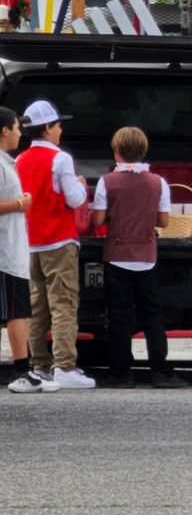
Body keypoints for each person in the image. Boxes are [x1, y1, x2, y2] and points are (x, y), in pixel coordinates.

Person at [16, 99, 95, 391]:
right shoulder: (61, 159)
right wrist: (81, 185)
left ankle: (39, 365)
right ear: (47, 127)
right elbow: (74, 199)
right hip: (59, 242)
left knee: (36, 307)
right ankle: (64, 366)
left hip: (29, 244)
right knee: (63, 304)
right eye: (58, 125)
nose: (61, 130)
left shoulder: (19, 160)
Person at [92, 125, 178, 387]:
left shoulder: (107, 181)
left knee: (119, 315)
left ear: (117, 152)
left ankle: (121, 372)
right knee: (152, 314)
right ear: (143, 151)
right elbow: (163, 221)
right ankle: (160, 370)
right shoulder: (158, 182)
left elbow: (98, 219)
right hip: (147, 256)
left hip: (117, 255)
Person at [0, 108, 38, 393]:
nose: (20, 133)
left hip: (12, 248)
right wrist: (19, 204)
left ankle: (25, 370)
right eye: (16, 128)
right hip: (5, 253)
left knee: (18, 311)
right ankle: (22, 371)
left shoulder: (7, 161)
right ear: (4, 131)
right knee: (17, 312)